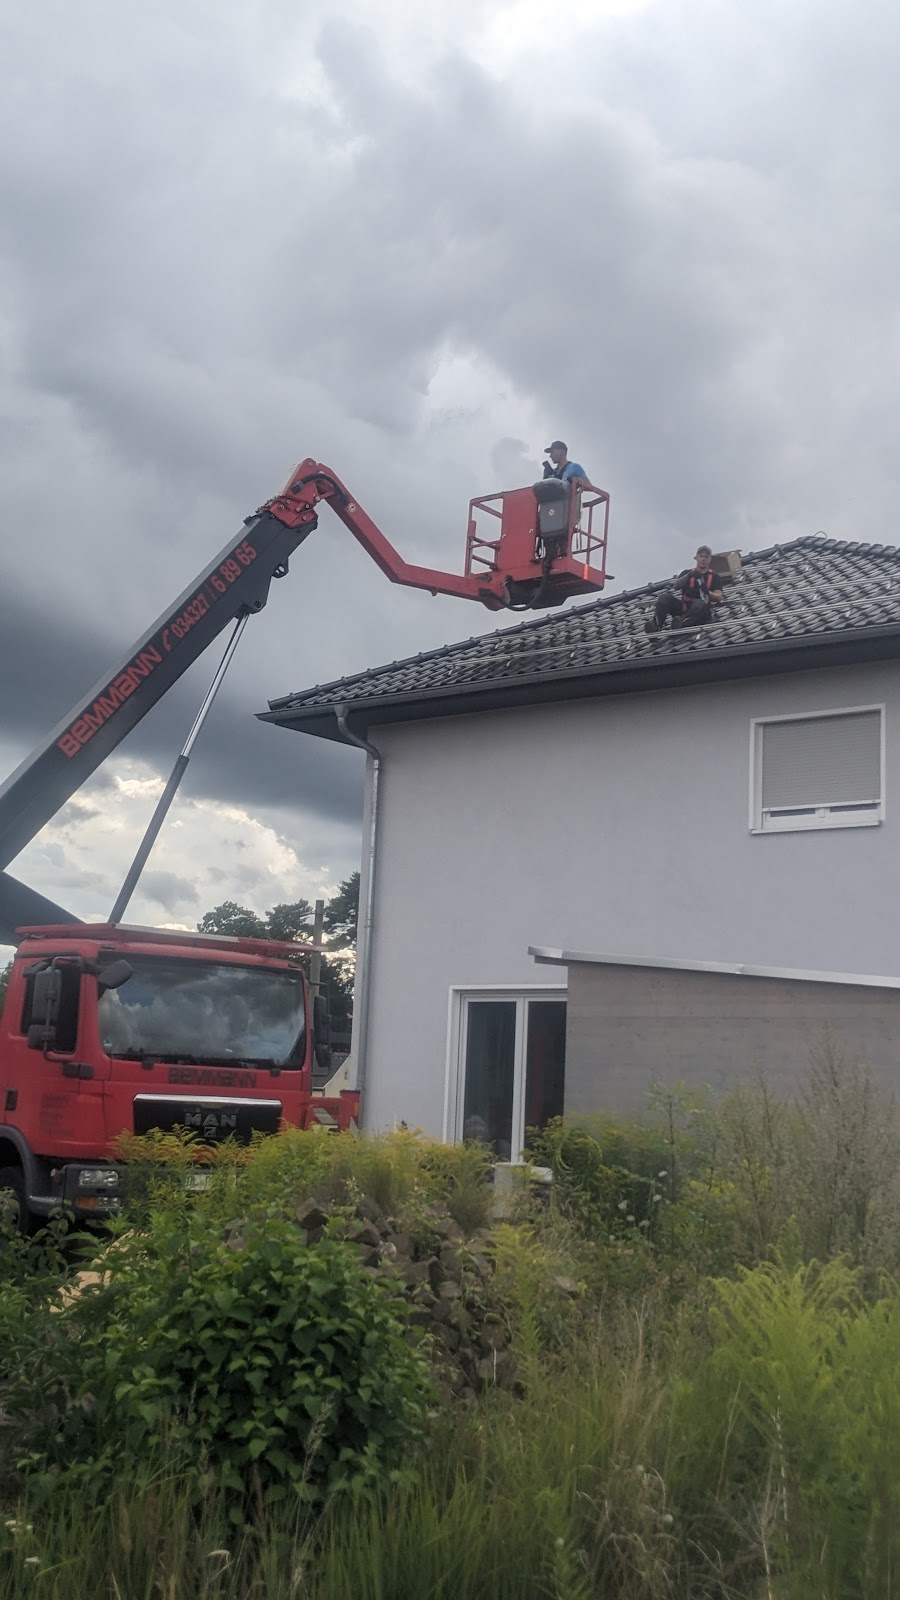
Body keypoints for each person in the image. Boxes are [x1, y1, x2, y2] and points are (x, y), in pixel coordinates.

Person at [644, 545, 724, 633]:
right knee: (665, 598)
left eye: (706, 557)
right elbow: (676, 586)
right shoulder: (687, 573)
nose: (703, 559)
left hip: (701, 611)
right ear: (696, 558)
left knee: (699, 603)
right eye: (701, 556)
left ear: (710, 559)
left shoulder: (714, 577)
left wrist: (708, 592)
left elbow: (719, 596)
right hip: (685, 608)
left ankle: (682, 624)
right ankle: (656, 625)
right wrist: (688, 576)